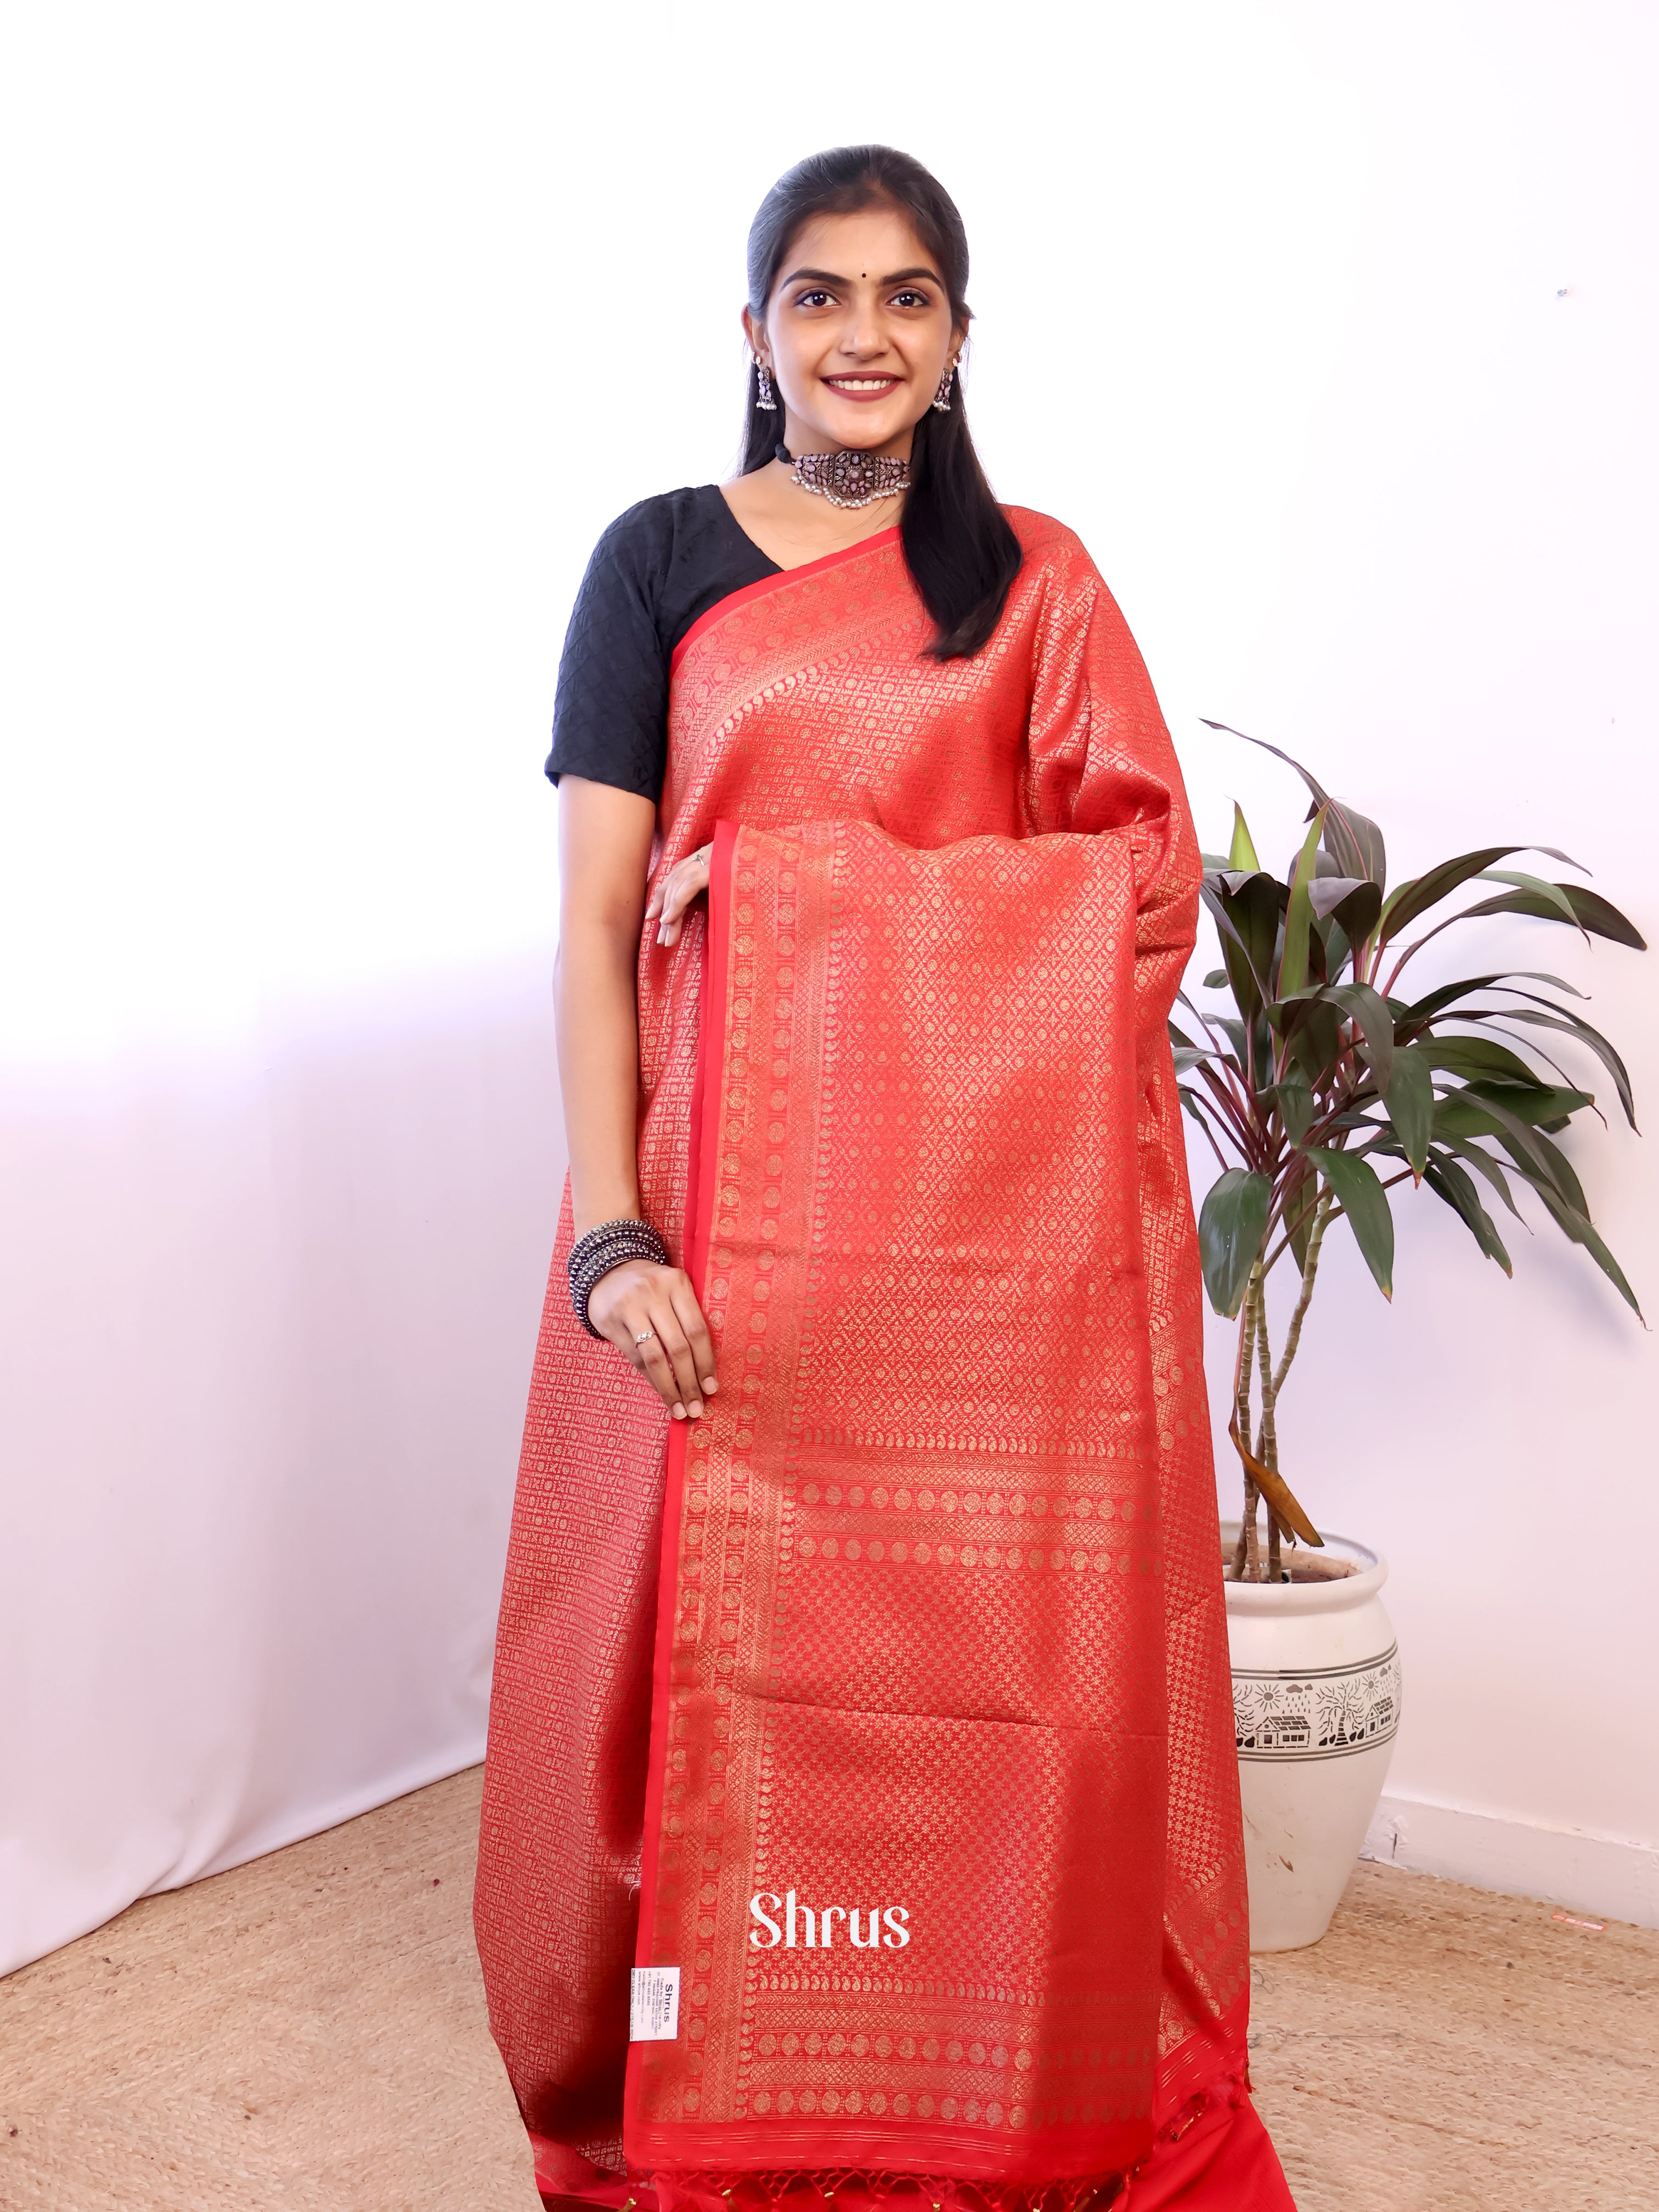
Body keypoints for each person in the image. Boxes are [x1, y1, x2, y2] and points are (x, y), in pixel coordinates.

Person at [475, 145, 1293, 2212]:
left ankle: (974, 2068)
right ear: (754, 334)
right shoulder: (656, 559)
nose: (860, 334)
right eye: (818, 295)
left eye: (906, 297)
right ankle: (715, 2073)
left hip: (974, 1261)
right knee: (671, 1668)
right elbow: (594, 927)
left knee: (979, 1685)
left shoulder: (1032, 580)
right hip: (706, 1222)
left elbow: (1138, 892)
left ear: (953, 341)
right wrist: (610, 1229)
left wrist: (799, 907)